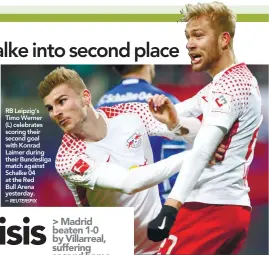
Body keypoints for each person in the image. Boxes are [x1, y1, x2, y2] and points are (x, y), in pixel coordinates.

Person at [38, 66, 203, 254]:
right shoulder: (68, 157)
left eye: (62, 101)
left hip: (161, 245)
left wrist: (175, 124)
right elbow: (129, 182)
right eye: (50, 108)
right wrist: (196, 156)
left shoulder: (130, 112)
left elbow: (196, 131)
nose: (56, 112)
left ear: (85, 97)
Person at [147, 2, 263, 255]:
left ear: (224, 39)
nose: (189, 43)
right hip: (233, 210)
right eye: (188, 36)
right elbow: (189, 123)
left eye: (198, 35)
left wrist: (169, 210)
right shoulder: (226, 83)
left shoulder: (229, 87)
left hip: (208, 206)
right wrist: (174, 122)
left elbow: (202, 152)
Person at [96, 65, 186, 204]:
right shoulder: (167, 103)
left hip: (117, 206)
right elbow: (182, 161)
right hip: (158, 207)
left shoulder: (100, 106)